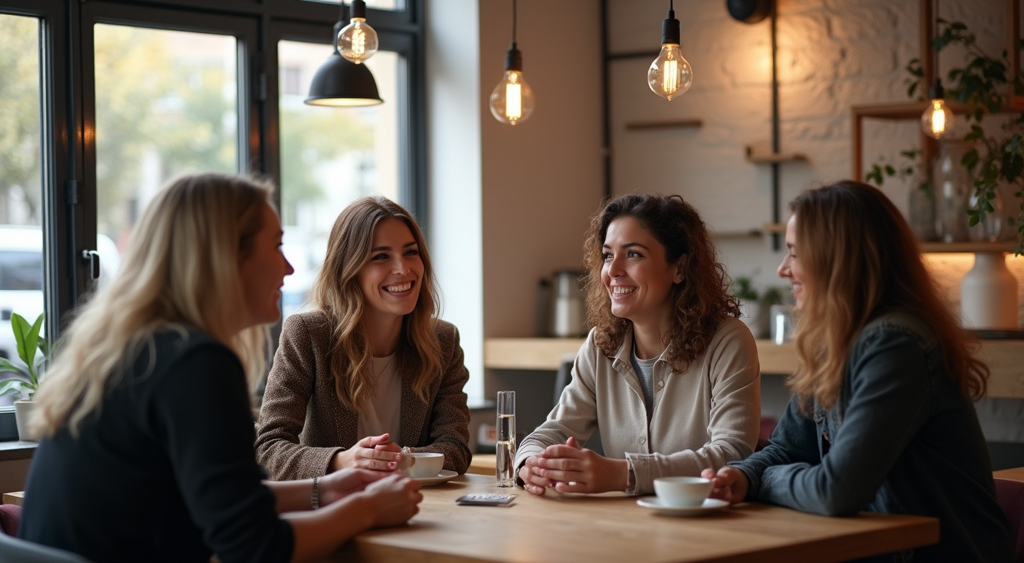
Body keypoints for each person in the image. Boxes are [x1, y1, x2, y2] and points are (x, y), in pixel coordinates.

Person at [17, 173, 422, 563]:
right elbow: (256, 547)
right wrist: (367, 509)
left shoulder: (135, 348)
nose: (289, 268)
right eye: (276, 246)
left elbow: (209, 497)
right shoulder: (195, 363)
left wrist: (326, 488)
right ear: (226, 257)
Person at [702, 181, 1013, 562]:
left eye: (796, 254)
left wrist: (762, 481)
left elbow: (837, 490)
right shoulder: (834, 344)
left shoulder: (895, 345)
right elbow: (787, 447)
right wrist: (743, 476)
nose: (783, 270)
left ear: (838, 259)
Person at [514, 193, 761, 496]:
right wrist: (531, 464)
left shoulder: (728, 340)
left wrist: (625, 474)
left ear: (679, 268)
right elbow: (554, 432)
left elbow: (732, 453)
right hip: (625, 529)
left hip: (706, 529)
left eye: (633, 254)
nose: (613, 270)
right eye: (607, 255)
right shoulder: (599, 345)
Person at [255, 196, 471, 480]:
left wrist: (402, 459)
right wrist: (342, 461)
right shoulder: (308, 334)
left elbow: (456, 447)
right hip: (334, 509)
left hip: (416, 506)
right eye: (381, 256)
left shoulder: (443, 341)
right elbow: (268, 449)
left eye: (411, 252)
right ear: (349, 269)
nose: (403, 269)